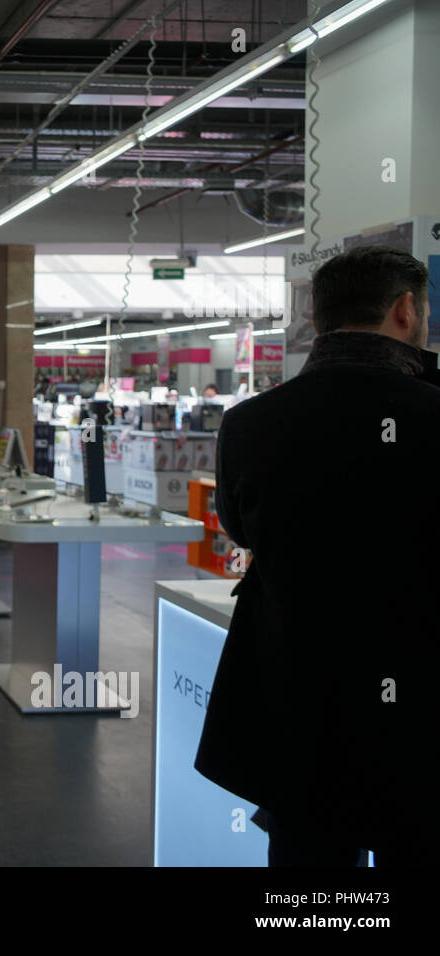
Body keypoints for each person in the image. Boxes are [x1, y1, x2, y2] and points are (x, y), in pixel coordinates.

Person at [195, 244, 438, 866]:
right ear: (407, 311)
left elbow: (240, 530)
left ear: (320, 319)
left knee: (309, 866)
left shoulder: (251, 422)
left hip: (296, 694)